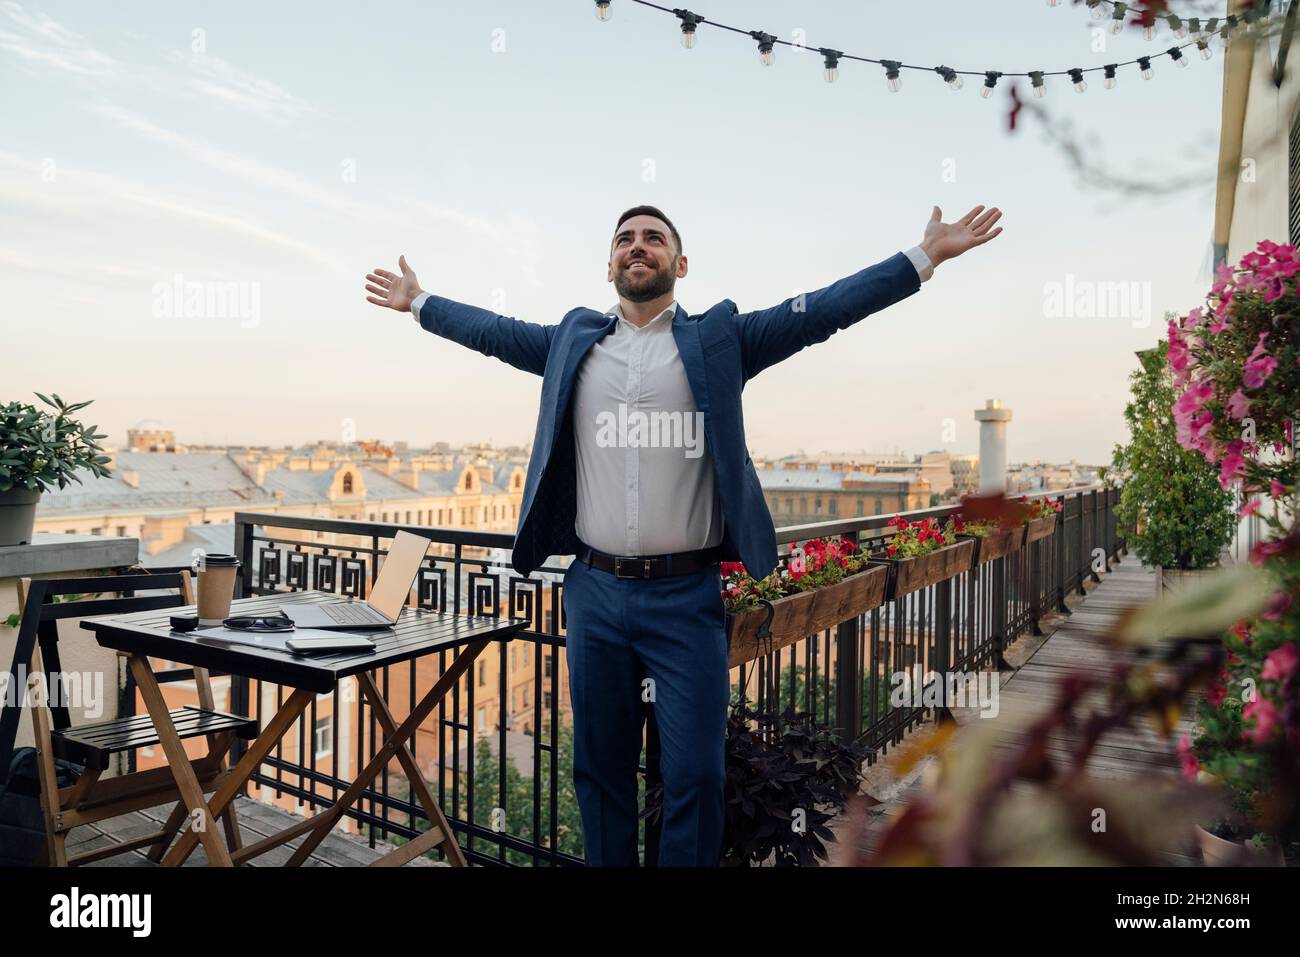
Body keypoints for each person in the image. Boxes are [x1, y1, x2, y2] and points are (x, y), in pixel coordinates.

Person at [364, 203, 1003, 866]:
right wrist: (419, 302)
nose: (637, 247)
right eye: (624, 240)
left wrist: (922, 258)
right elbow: (491, 330)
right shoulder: (570, 341)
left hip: (685, 598)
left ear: (680, 262)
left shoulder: (720, 339)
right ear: (609, 263)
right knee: (600, 772)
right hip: (594, 595)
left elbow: (819, 311)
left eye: (653, 238)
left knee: (696, 776)